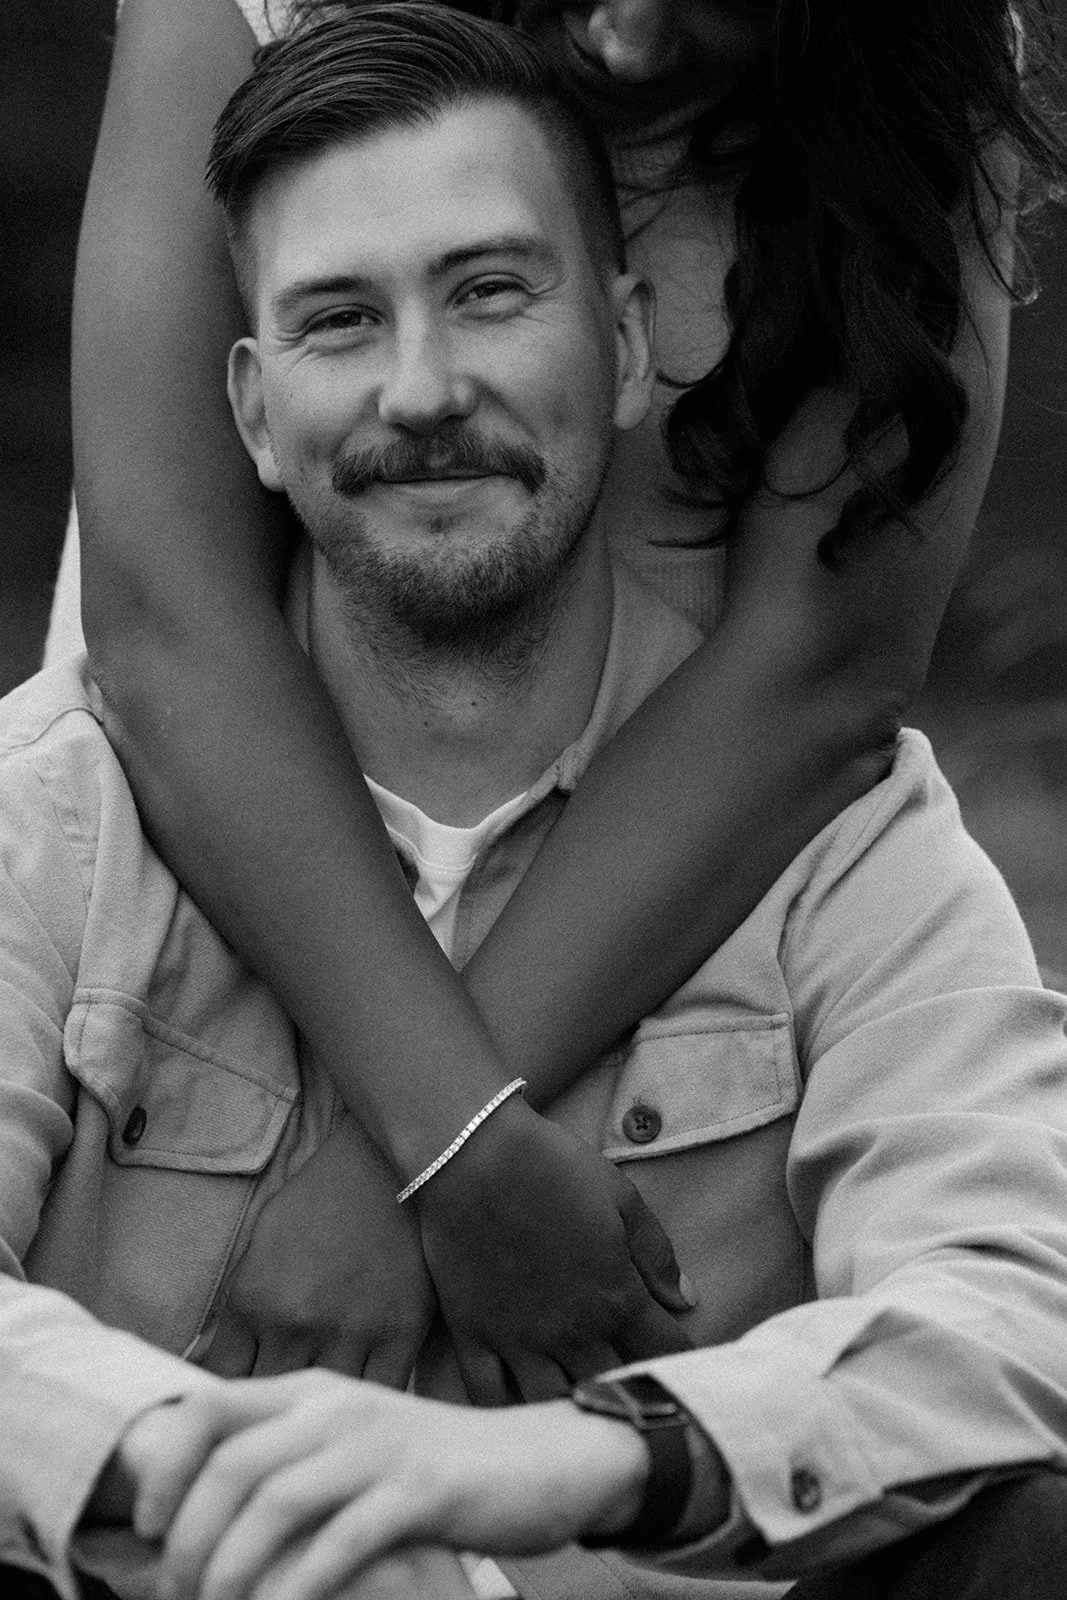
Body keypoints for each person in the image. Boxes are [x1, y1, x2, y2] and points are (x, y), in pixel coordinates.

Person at [5, 11, 1067, 1599]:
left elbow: (1021, 1311)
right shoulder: (63, 829)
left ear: (636, 344)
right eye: (343, 319)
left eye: (490, 292)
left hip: (692, 870)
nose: (422, 388)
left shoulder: (859, 870)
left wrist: (584, 1454)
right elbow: (164, 621)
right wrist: (218, 1478)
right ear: (246, 402)